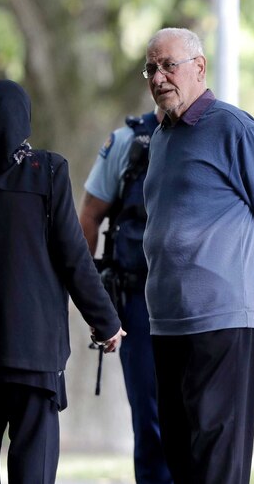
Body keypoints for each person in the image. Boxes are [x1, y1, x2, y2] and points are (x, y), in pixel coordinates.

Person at [0, 79, 125, 484]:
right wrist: (106, 320)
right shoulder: (47, 170)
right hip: (32, 350)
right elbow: (72, 255)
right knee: (34, 468)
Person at [141, 27, 254, 484]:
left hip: (223, 312)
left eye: (169, 65)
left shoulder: (233, 126)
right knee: (178, 450)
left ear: (199, 67)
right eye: (152, 68)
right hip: (167, 314)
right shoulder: (161, 137)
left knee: (217, 455)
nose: (159, 77)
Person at [79, 109, 173, 484]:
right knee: (149, 411)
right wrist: (90, 298)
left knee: (199, 411)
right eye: (155, 69)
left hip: (200, 299)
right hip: (137, 299)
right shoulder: (127, 142)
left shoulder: (217, 134)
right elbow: (89, 216)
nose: (163, 78)